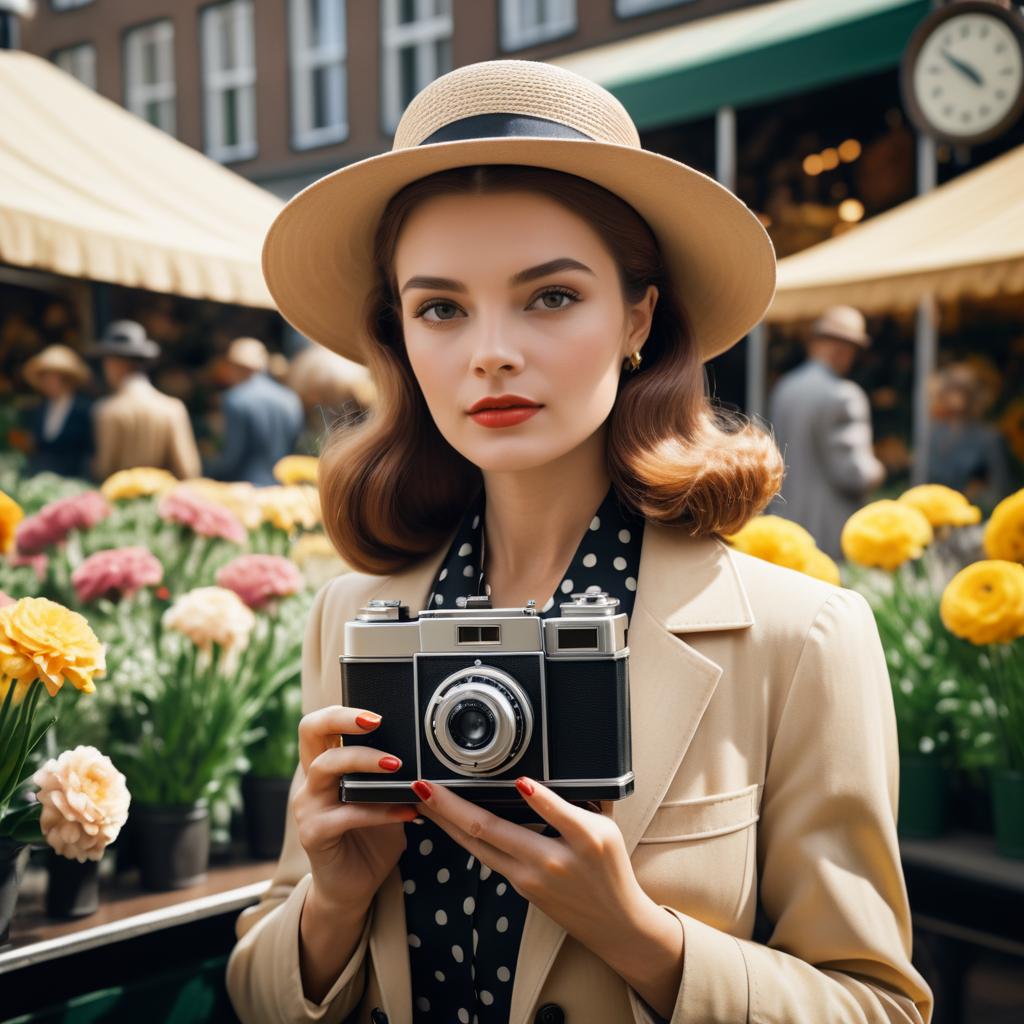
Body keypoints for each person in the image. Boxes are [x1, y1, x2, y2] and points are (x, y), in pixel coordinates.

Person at [226, 61, 932, 1024]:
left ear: (638, 316)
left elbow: (879, 1005)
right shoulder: (354, 617)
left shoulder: (799, 636)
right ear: (399, 337)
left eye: (551, 296)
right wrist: (332, 902)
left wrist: (643, 937)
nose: (491, 351)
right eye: (440, 307)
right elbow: (256, 980)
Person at [768, 305, 886, 558]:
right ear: (844, 351)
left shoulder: (784, 388)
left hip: (784, 527)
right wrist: (883, 467)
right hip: (830, 533)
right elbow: (854, 474)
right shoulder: (844, 396)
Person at [90, 320, 201, 481]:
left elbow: (104, 469)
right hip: (163, 500)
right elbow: (188, 470)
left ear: (116, 363)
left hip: (121, 500)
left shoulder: (108, 410)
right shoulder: (172, 408)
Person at [205, 336, 304, 485]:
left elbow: (232, 456)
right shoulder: (291, 398)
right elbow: (296, 445)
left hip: (245, 489)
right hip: (281, 487)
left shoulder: (235, 399)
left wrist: (206, 472)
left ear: (234, 366)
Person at [926, 362, 1010, 510]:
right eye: (953, 389)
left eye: (963, 390)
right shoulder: (932, 434)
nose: (957, 397)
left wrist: (976, 496)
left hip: (973, 516)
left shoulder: (988, 437)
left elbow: (998, 488)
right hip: (935, 512)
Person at [22, 344, 94, 478]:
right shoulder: (41, 408)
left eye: (51, 376)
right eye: (44, 377)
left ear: (65, 378)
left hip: (73, 481)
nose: (47, 382)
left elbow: (89, 453)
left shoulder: (83, 409)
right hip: (42, 481)